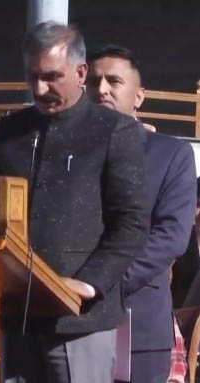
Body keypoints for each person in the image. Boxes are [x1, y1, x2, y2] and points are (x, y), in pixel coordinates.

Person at [0, 22, 149, 383]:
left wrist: (89, 283)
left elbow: (132, 222)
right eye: (33, 76)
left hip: (81, 321)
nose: (40, 88)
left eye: (52, 77)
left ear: (81, 71)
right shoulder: (10, 131)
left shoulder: (112, 131)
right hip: (17, 317)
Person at [86, 44, 196, 383]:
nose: (101, 89)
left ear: (139, 96)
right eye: (93, 81)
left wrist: (99, 285)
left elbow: (170, 238)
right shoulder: (66, 154)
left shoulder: (170, 155)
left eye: (114, 81)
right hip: (69, 323)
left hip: (139, 326)